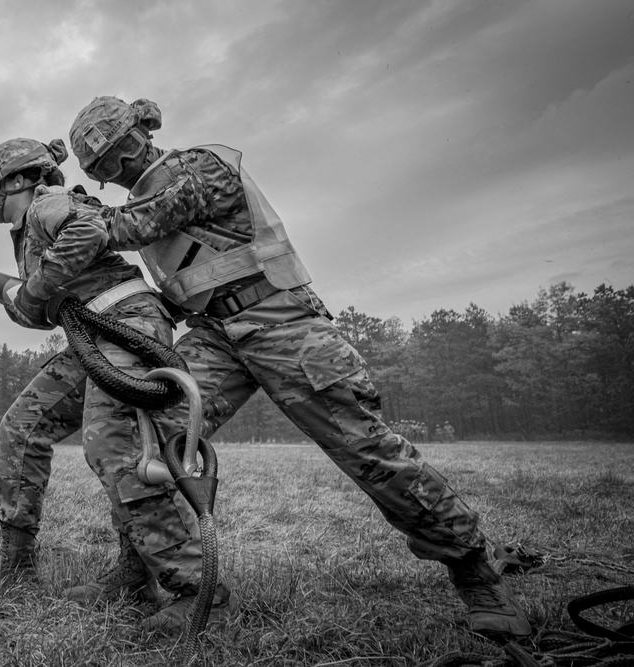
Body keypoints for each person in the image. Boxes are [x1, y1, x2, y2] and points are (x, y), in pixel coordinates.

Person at [67, 96, 531, 638]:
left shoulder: (198, 167)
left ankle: (476, 574)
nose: (118, 169)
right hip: (216, 336)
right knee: (133, 437)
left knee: (369, 453)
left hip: (285, 323)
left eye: (121, 151)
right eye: (102, 168)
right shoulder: (135, 203)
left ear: (143, 133)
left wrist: (66, 215)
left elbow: (143, 221)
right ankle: (171, 583)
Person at [0, 136, 235, 631]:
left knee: (115, 443)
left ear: (13, 180)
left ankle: (199, 593)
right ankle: (28, 569)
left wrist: (31, 290)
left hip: (127, 324)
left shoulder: (48, 204)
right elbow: (47, 306)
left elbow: (86, 230)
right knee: (23, 427)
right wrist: (1, 292)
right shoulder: (32, 228)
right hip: (92, 333)